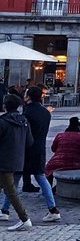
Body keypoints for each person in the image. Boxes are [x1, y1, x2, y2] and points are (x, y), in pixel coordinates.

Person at [12, 87, 59, 223]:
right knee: (41, 178)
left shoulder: (27, 112)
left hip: (26, 150)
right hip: (39, 150)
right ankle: (53, 209)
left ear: (29, 97)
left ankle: (4, 210)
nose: (24, 96)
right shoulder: (46, 112)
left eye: (26, 94)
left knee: (14, 180)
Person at [0, 94, 32, 231]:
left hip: (3, 161)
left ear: (5, 106)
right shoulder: (24, 121)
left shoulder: (2, 122)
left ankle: (24, 218)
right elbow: (30, 141)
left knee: (11, 191)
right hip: (17, 159)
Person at [44, 117, 80, 183]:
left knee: (48, 169)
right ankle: (59, 188)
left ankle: (48, 189)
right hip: (75, 163)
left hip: (56, 162)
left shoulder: (60, 135)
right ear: (79, 126)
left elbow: (53, 149)